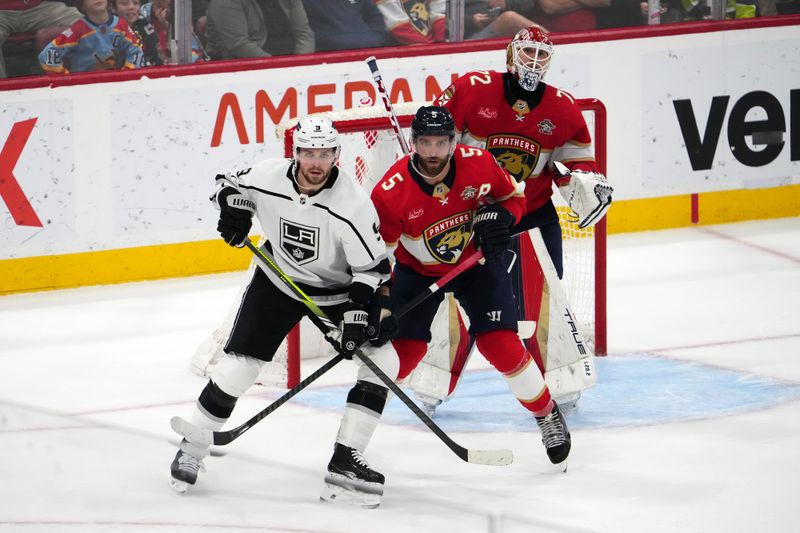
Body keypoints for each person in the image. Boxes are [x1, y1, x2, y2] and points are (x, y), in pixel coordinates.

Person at [320, 106, 571, 507]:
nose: (433, 151)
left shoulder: (479, 164)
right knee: (395, 357)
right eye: (425, 142)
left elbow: (515, 196)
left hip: (476, 265)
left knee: (499, 345)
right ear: (415, 142)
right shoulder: (391, 191)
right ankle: (346, 450)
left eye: (441, 142)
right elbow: (377, 258)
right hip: (417, 272)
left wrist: (501, 219)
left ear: (454, 142)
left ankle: (546, 414)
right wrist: (379, 306)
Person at [168, 117, 401, 503]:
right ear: (295, 153)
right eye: (309, 152)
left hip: (336, 292)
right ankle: (192, 448)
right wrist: (233, 211)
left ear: (335, 156)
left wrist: (358, 312)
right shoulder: (267, 175)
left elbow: (372, 268)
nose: (316, 161)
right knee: (240, 364)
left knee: (383, 362)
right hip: (277, 280)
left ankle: (345, 457)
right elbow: (227, 183)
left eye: (324, 154)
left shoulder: (353, 204)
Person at [38, 0, 143, 74]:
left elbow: (136, 50)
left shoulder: (121, 25)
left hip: (113, 85)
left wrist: (126, 75)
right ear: (82, 4)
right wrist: (66, 78)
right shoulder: (77, 29)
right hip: (84, 87)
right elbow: (46, 55)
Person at [204, 0, 314, 59]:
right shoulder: (225, 2)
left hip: (292, 66)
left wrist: (300, 64)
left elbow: (304, 33)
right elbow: (239, 45)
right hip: (245, 72)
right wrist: (278, 68)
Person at [0, 0, 82, 78]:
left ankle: (84, 82)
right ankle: (3, 89)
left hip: (37, 8)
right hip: (2, 12)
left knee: (87, 25)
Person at [301, 0, 388, 52]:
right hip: (329, 59)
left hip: (373, 51)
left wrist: (376, 37)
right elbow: (300, 31)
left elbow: (374, 16)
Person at [374, 0, 446, 45]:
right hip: (402, 51)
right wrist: (430, 49)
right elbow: (399, 29)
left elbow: (440, 15)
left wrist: (444, 44)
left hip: (432, 47)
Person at [465, 0, 540, 39]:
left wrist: (507, 3)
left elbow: (528, 4)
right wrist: (471, 20)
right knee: (509, 19)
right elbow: (453, 22)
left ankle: (548, 43)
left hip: (512, 36)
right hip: (469, 39)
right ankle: (550, 43)